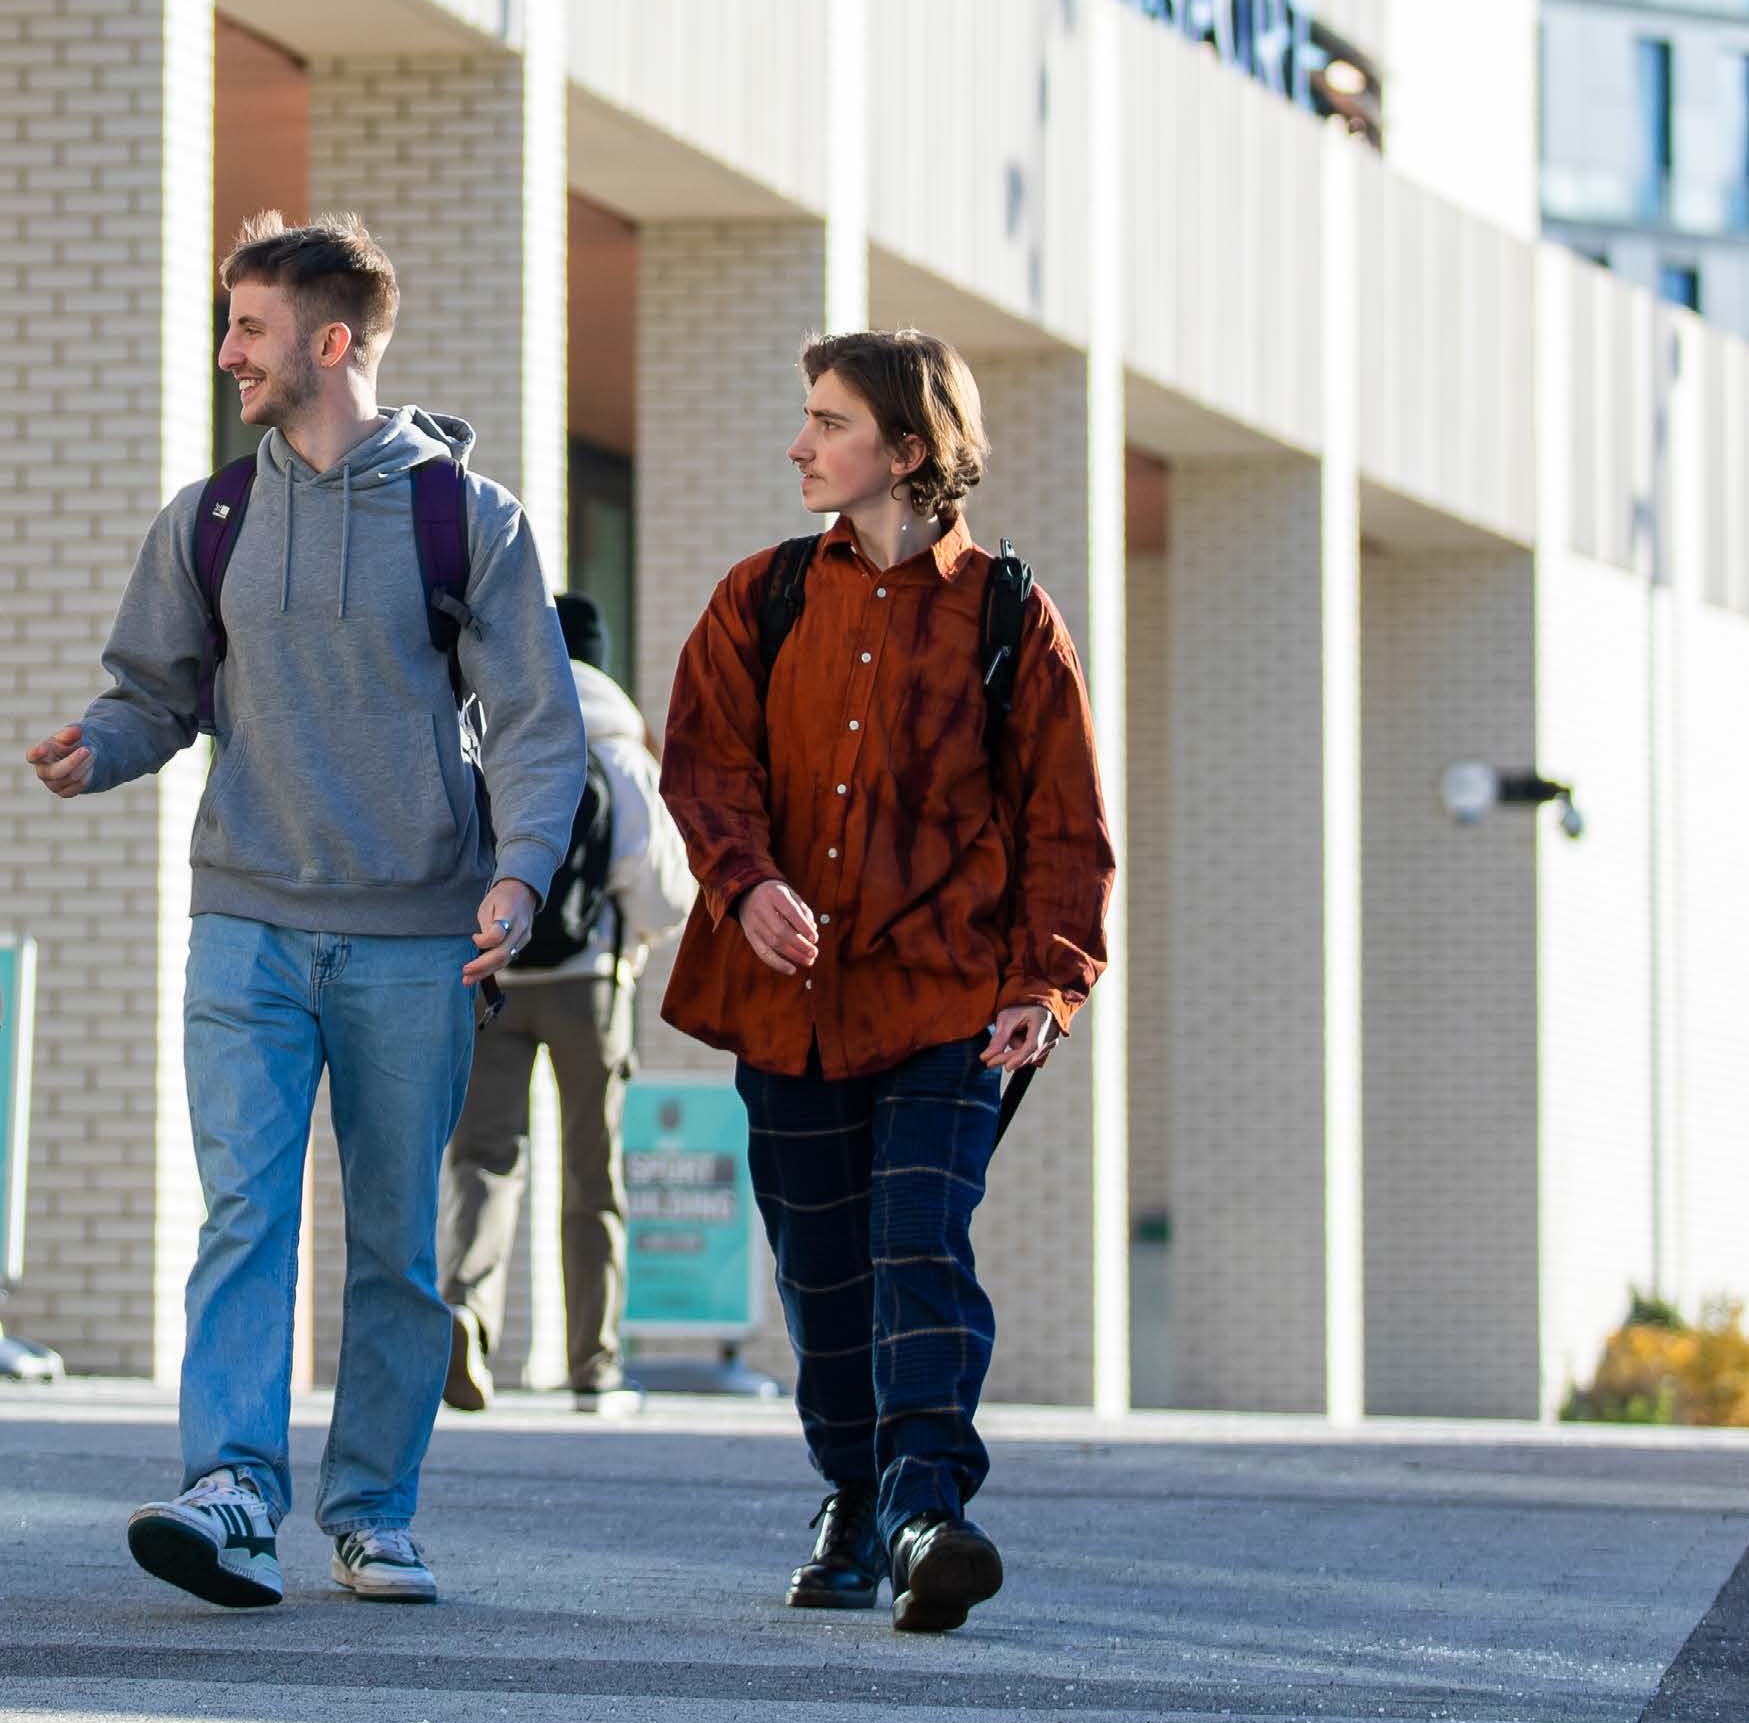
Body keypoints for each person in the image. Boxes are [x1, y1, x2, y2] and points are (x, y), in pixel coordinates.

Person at [24, 212, 584, 1608]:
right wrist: (103, 745)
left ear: (331, 342)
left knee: (396, 1244)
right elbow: (154, 691)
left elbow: (535, 723)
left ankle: (374, 1513)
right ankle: (230, 1490)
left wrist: (518, 872)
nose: (229, 352)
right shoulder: (211, 518)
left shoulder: (468, 520)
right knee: (243, 1216)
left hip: (416, 937)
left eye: (249, 328)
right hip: (247, 926)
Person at [658, 330, 1113, 1633]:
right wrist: (746, 884)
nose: (798, 445)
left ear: (907, 450)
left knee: (918, 1239)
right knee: (820, 1272)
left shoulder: (1010, 617)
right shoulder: (760, 598)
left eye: (829, 422)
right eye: (806, 418)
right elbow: (703, 766)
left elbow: (1066, 822)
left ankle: (926, 1509)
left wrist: (1044, 982)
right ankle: (855, 1497)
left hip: (946, 1001)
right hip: (789, 1007)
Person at [438, 590, 694, 1418]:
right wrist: (630, 939)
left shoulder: (501, 734)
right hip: (591, 984)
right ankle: (594, 1365)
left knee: (485, 1157)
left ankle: (466, 1314)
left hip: (494, 980)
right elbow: (662, 891)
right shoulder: (618, 750)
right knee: (593, 1173)